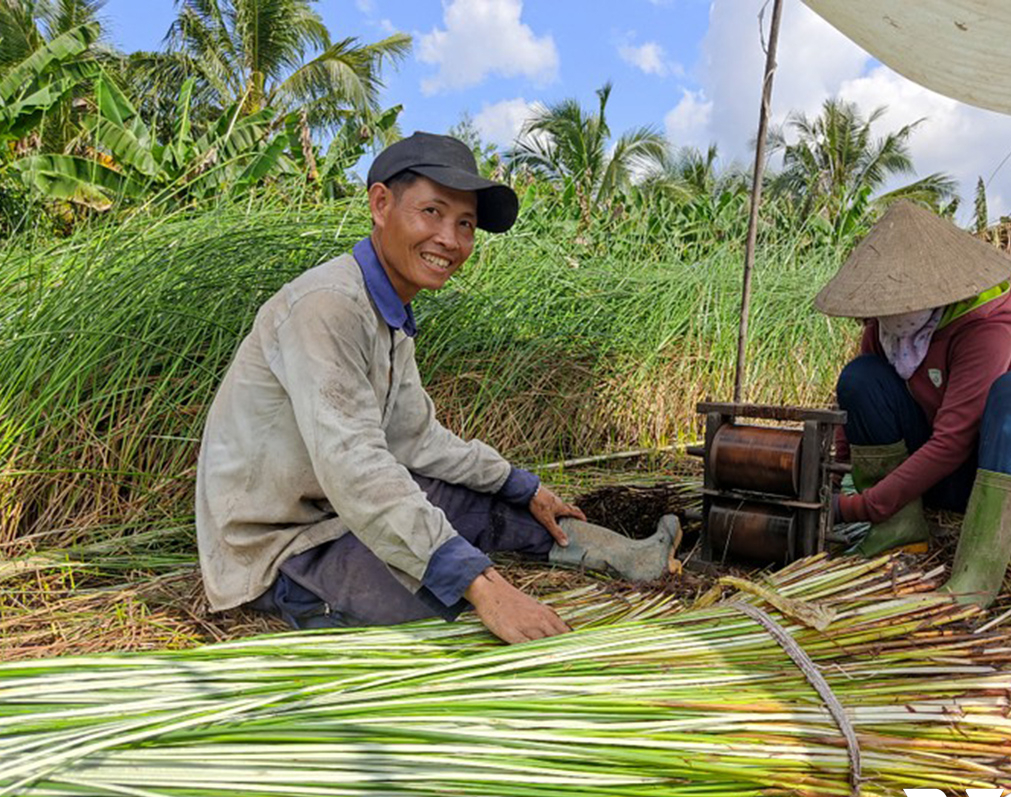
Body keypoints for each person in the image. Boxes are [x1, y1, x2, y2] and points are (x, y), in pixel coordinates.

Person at [196, 132, 681, 643]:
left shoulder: (388, 314)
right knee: (439, 599)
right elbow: (355, 468)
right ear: (381, 204)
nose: (450, 239)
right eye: (432, 212)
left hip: (340, 513)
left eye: (465, 223)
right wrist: (485, 588)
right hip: (281, 547)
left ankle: (629, 555)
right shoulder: (328, 307)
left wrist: (524, 485)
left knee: (483, 500)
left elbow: (417, 439)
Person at [818, 201, 1011, 608]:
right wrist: (828, 481)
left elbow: (952, 442)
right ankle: (898, 533)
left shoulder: (989, 331)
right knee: (860, 375)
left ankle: (974, 580)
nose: (889, 312)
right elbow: (859, 410)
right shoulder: (888, 332)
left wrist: (860, 507)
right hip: (947, 482)